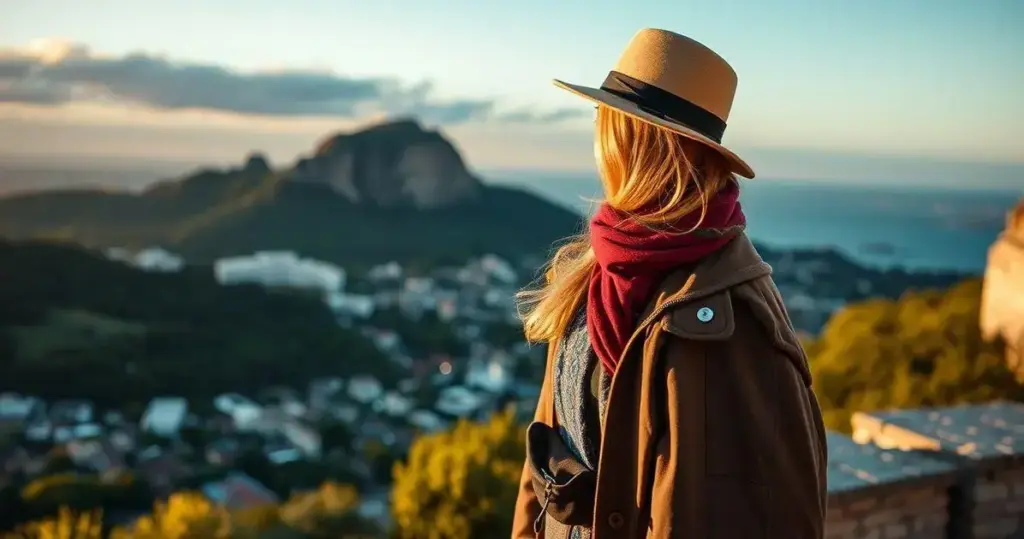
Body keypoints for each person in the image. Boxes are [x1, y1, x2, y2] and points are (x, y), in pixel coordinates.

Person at [511, 28, 828, 539]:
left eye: (605, 120)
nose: (597, 137)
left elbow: (775, 511)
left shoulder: (739, 321)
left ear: (634, 141)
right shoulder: (589, 271)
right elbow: (546, 456)